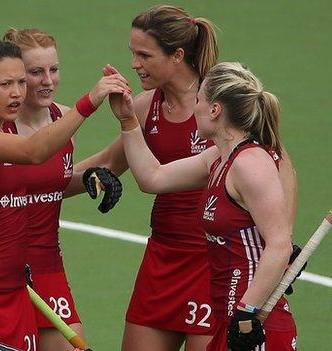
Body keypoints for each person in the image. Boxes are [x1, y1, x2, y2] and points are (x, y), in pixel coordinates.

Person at [0, 40, 129, 351]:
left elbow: (40, 181)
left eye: (20, 83)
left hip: (18, 280)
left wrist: (87, 175)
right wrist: (90, 101)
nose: (17, 92)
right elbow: (33, 152)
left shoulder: (11, 126)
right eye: (6, 84)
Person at [109, 61, 298, 351]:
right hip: (230, 317)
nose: (194, 108)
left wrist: (247, 312)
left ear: (215, 110)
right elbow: (152, 177)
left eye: (199, 101)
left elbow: (279, 243)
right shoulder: (217, 159)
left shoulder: (250, 164)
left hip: (254, 321)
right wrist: (128, 121)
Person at [75, 5, 223, 351]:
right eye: (132, 53)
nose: (134, 64)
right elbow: (106, 164)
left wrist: (279, 237)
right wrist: (32, 185)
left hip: (212, 261)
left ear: (177, 56)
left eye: (144, 55)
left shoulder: (221, 102)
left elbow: (277, 163)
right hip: (162, 259)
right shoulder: (143, 106)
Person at [2, 27, 123, 351]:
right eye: (36, 72)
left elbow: (48, 184)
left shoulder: (63, 117)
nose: (47, 80)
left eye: (53, 70)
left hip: (47, 262)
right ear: (14, 77)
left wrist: (84, 178)